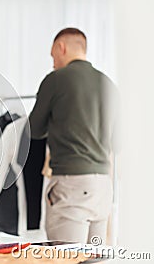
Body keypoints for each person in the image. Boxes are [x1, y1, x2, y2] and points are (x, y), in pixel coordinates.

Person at [29, 28, 118, 244]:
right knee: (94, 258)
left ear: (62, 48)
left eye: (53, 56)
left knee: (64, 257)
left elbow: (35, 129)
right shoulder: (109, 84)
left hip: (72, 185)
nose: (53, 63)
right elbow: (117, 142)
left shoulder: (56, 79)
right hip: (104, 186)